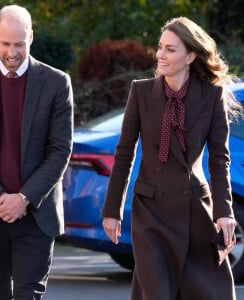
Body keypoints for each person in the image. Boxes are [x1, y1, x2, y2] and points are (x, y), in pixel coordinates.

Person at [101, 16, 242, 300]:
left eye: (170, 49)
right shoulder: (140, 92)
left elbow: (219, 159)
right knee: (157, 292)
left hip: (194, 210)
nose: (161, 55)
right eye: (160, 47)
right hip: (150, 211)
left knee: (201, 291)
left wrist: (224, 213)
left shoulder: (212, 96)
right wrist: (112, 209)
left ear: (190, 55)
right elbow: (124, 153)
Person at [0, 4, 73, 300]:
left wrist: (23, 199)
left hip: (36, 215)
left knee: (27, 294)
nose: (12, 52)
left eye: (19, 43)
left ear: (31, 37)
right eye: (5, 43)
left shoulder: (57, 83)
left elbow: (60, 150)